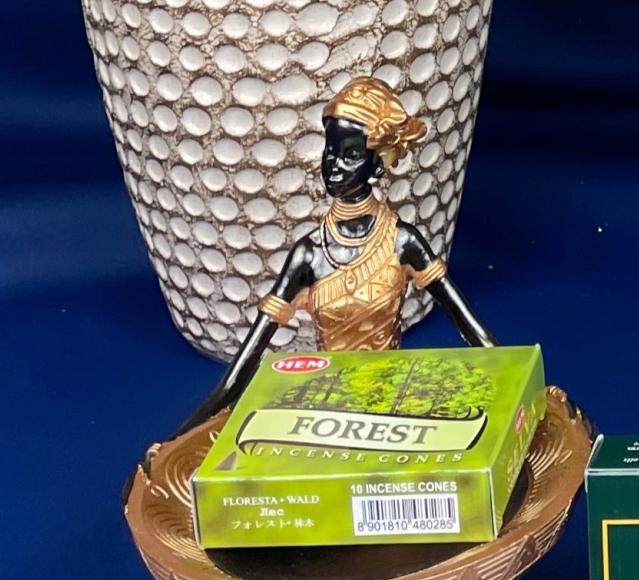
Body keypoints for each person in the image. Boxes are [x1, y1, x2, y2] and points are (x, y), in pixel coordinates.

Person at [175, 75, 493, 434]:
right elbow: (242, 368)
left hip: (396, 409)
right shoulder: (309, 255)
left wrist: (521, 387)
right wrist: (181, 436)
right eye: (331, 151)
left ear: (377, 165)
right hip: (331, 415)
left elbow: (476, 334)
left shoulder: (401, 241)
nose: (335, 164)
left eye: (352, 154)